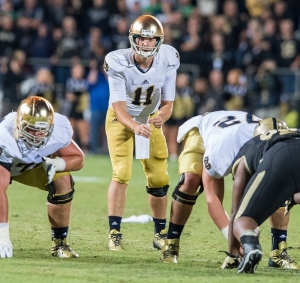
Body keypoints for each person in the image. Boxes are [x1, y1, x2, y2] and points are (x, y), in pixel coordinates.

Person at [160, 113, 299, 270]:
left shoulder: (275, 140)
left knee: (277, 185)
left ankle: (278, 251)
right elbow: (212, 198)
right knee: (191, 180)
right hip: (204, 130)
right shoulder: (223, 149)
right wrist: (235, 236)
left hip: (239, 135)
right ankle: (171, 244)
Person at [103, 14, 180, 251]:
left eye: (151, 39)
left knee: (160, 178)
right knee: (122, 172)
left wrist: (161, 117)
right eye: (141, 38)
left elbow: (168, 103)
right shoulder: (117, 62)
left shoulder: (169, 58)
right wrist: (137, 127)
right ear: (132, 39)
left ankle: (160, 233)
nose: (146, 44)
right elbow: (119, 108)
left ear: (159, 41)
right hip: (120, 119)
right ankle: (114, 231)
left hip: (149, 119)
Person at [0, 96, 84, 258]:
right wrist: (3, 236)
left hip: (30, 167)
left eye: (43, 129)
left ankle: (60, 243)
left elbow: (78, 158)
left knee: (63, 181)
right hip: (6, 164)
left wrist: (57, 164)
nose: (38, 135)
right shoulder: (4, 135)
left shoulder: (59, 128)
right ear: (20, 124)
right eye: (32, 129)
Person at [228, 123, 300, 273]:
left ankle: (251, 246)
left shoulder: (250, 146)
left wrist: (233, 254)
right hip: (285, 151)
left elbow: (236, 212)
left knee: (244, 218)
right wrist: (291, 199)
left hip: (278, 154)